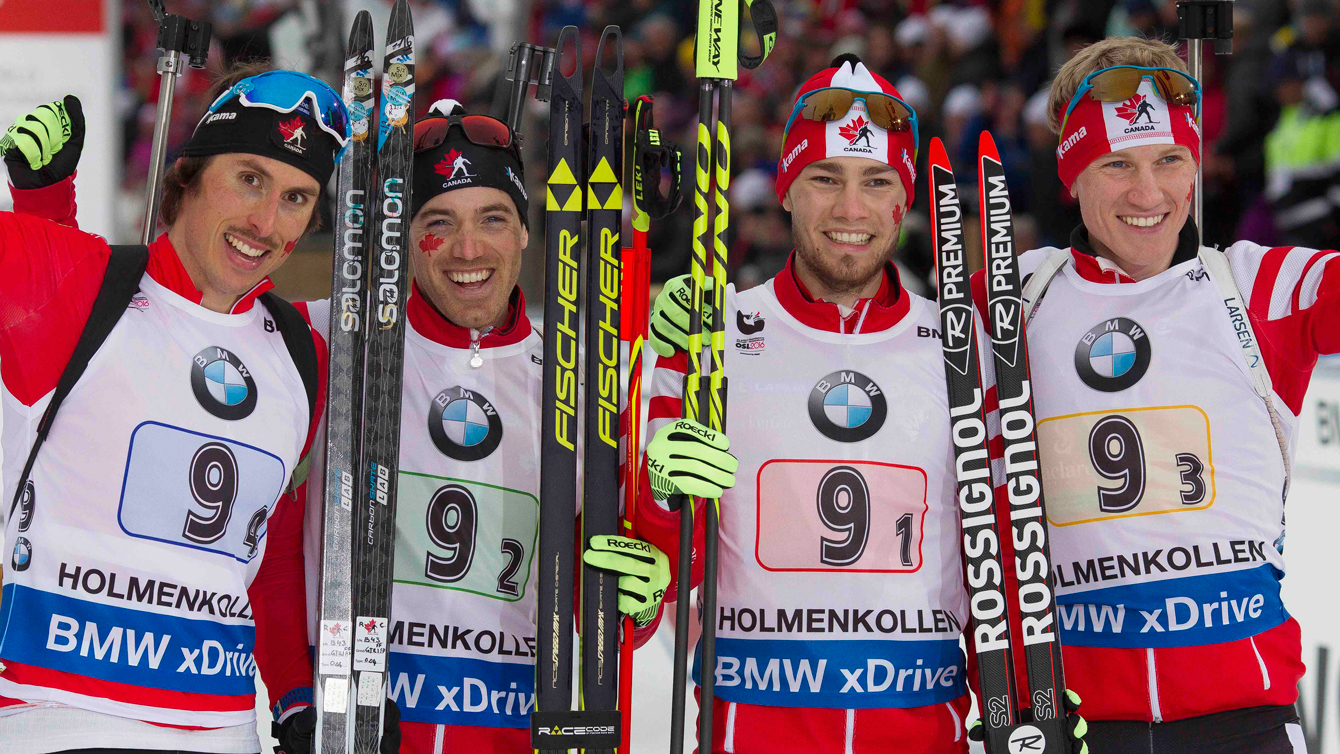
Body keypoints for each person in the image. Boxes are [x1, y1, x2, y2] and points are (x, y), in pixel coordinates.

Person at [639, 55, 1087, 754]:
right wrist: (657, 501)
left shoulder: (963, 349)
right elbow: (642, 596)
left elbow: (1004, 557)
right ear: (786, 189)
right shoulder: (705, 338)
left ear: (902, 200)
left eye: (876, 182)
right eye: (824, 179)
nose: (851, 210)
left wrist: (1031, 711)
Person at [971, 36, 1340, 753]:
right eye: (1117, 165)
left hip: (1246, 719)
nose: (1149, 194)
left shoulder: (1258, 285)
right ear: (1072, 176)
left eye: (1170, 161)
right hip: (1072, 721)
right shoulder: (1012, 298)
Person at [292, 100, 672, 753]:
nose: (468, 249)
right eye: (438, 222)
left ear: (526, 231)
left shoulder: (583, 380)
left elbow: (605, 608)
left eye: (493, 219)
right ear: (403, 238)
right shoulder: (328, 336)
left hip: (511, 731)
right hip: (360, 728)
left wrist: (642, 584)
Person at [0, 65, 344, 753]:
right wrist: (44, 214)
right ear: (186, 174)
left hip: (224, 732)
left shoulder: (306, 353)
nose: (265, 221)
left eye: (297, 197)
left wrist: (297, 696)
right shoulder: (72, 276)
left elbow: (269, 543)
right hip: (58, 721)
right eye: (249, 178)